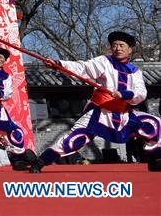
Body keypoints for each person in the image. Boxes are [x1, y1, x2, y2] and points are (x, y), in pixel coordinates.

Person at [25, 31, 161, 173]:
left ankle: (156, 159)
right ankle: (41, 161)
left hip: (123, 114)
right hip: (100, 111)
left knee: (154, 124)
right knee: (75, 139)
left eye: (121, 45)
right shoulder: (104, 62)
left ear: (129, 50)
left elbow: (141, 93)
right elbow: (83, 68)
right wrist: (58, 64)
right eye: (114, 45)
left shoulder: (135, 72)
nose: (118, 48)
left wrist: (123, 94)